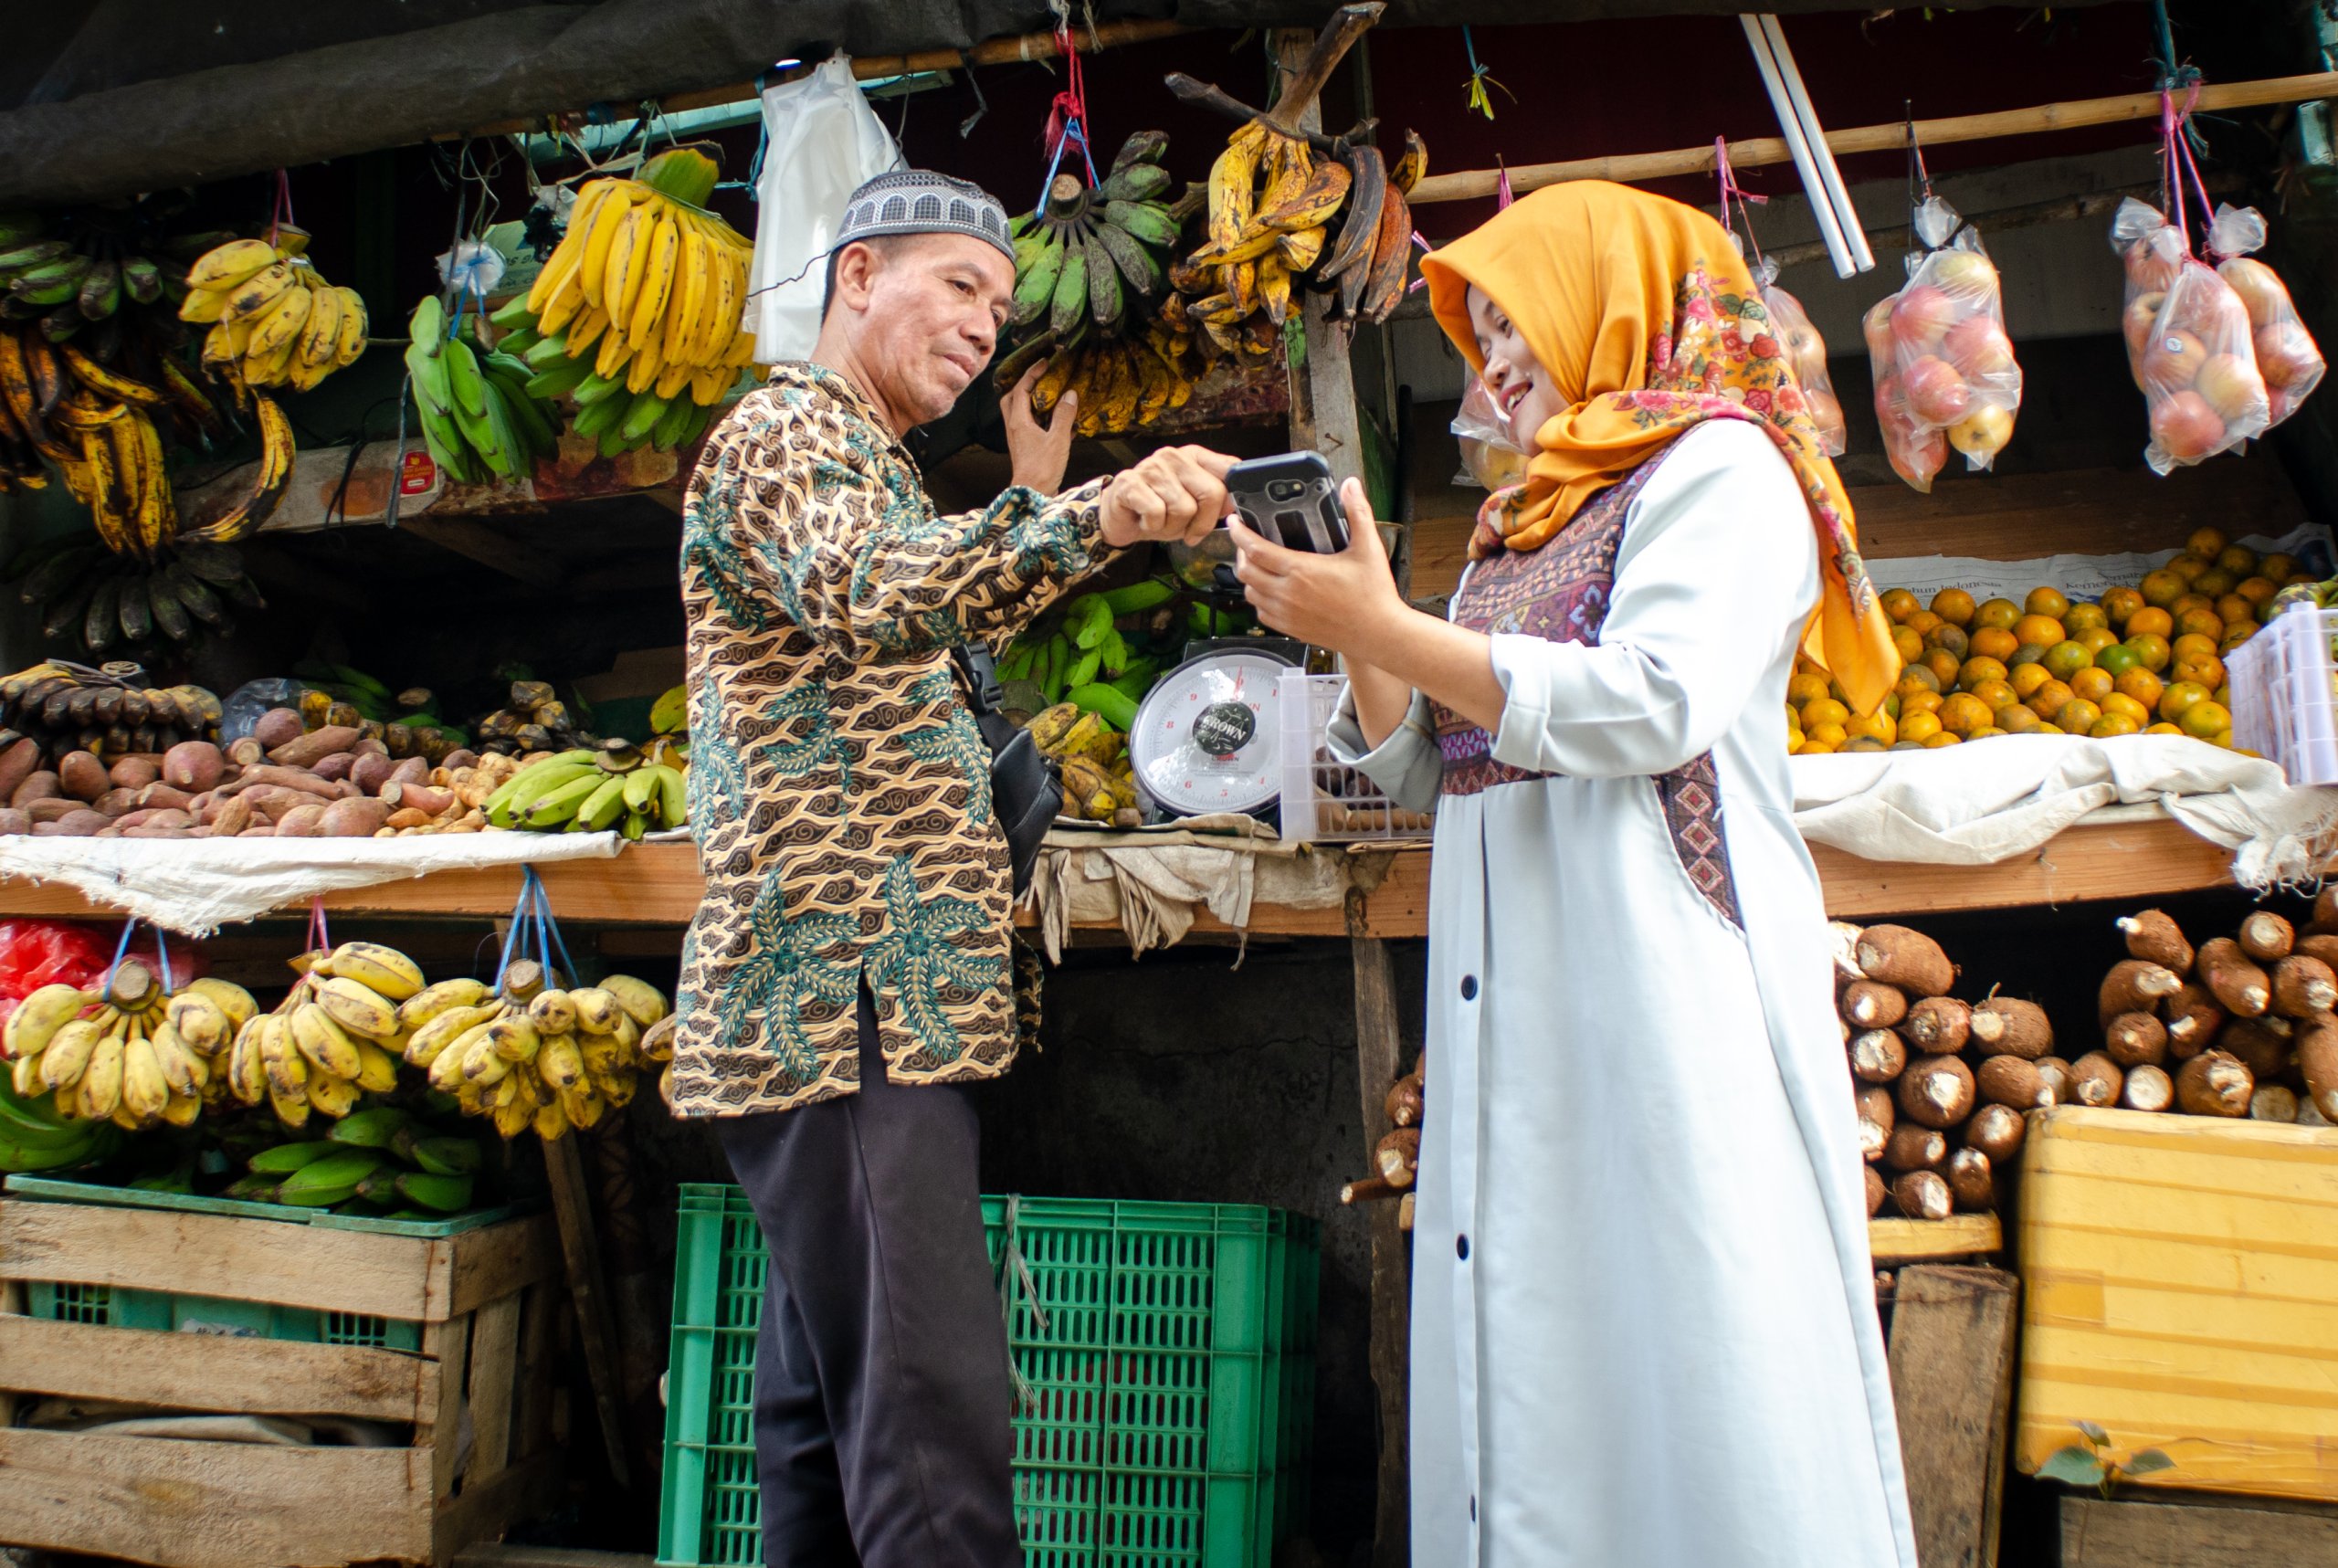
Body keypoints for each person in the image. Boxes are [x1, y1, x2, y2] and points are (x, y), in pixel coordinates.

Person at [1227, 180, 1919, 1567]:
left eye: (1513, 324)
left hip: (1663, 1011)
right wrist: (1362, 627)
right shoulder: (1529, 518)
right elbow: (1443, 770)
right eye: (1479, 336)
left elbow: (1651, 700)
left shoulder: (1727, 469)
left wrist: (1392, 625)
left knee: (1696, 1376)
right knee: (1549, 1381)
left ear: (1612, 300)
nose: (1492, 365)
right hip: (1524, 1024)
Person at [669, 169, 1231, 1567]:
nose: (987, 327)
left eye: (1001, 302)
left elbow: (909, 631)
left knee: (830, 1409)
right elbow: (880, 592)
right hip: (842, 994)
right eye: (959, 287)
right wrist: (1096, 513)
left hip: (866, 1003)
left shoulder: (870, 465)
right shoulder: (784, 431)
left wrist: (1035, 495)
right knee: (932, 1422)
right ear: (858, 276)